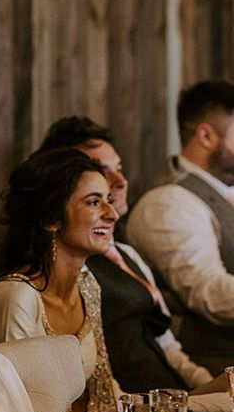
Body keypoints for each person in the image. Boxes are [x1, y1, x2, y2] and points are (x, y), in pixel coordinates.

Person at [35, 116, 220, 393]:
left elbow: (169, 349)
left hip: (173, 398)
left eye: (118, 168)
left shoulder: (126, 253)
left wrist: (213, 391)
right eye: (100, 170)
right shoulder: (53, 274)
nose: (120, 182)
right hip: (132, 410)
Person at [0, 148, 119, 412]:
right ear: (51, 219)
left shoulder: (88, 284)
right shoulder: (14, 299)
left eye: (109, 200)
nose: (112, 214)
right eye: (94, 202)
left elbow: (93, 399)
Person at [126, 80, 234, 374]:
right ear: (206, 135)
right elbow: (208, 292)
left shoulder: (225, 189)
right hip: (209, 366)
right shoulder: (169, 204)